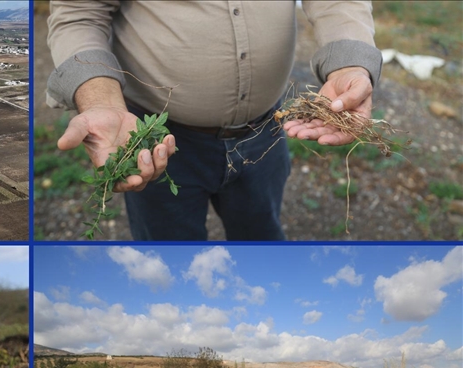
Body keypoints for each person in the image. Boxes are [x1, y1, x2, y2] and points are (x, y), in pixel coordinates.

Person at [46, 1, 382, 240]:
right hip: (158, 141)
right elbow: (79, 14)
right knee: (170, 252)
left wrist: (350, 62)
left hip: (267, 130)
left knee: (260, 239)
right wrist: (100, 99)